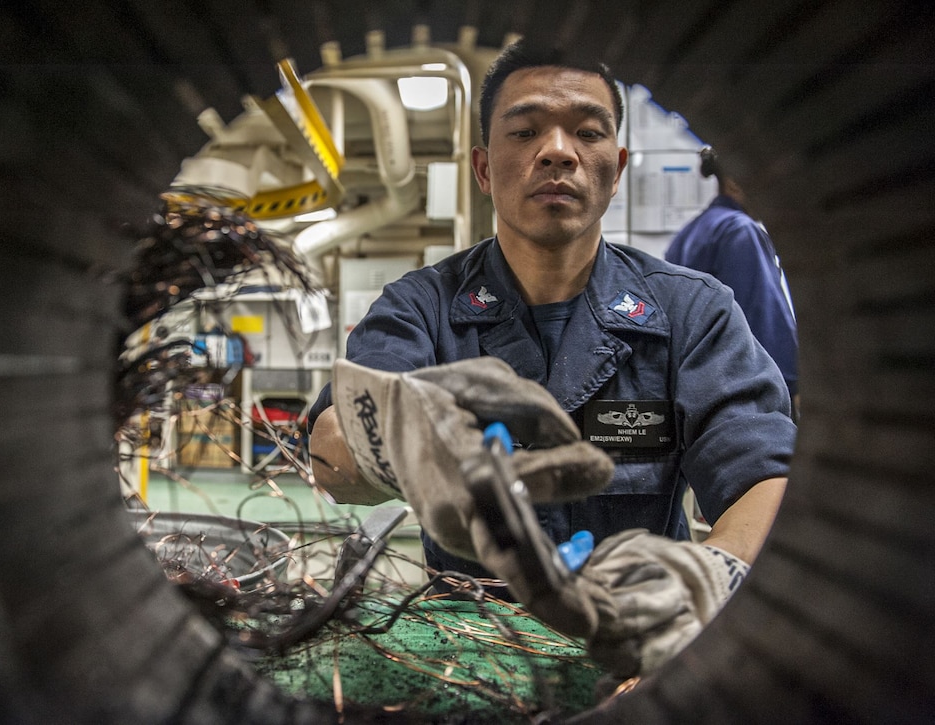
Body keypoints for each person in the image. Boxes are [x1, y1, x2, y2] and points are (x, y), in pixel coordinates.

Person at [306, 39, 796, 679]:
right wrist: (411, 442)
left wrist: (706, 581)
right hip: (470, 657)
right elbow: (330, 448)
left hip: (638, 650)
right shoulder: (418, 308)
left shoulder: (692, 313)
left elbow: (767, 475)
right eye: (527, 130)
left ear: (616, 167)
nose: (559, 150)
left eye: (587, 132)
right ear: (483, 168)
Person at [666, 146, 800, 414]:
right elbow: (766, 325)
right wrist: (794, 388)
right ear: (734, 182)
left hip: (697, 396)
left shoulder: (687, 234)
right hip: (747, 401)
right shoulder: (740, 230)